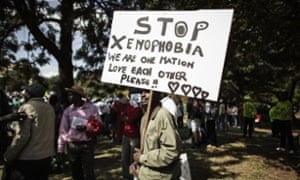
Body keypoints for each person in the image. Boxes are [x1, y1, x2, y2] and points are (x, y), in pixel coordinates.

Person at [2, 83, 56, 180]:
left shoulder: (27, 107)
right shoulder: (49, 108)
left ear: (29, 94)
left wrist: (8, 156)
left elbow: (22, 136)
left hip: (28, 158)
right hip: (46, 156)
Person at [130, 91, 182, 180]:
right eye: (141, 91)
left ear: (158, 94)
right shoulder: (145, 118)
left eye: (147, 91)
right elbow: (149, 148)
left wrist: (142, 158)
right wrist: (137, 162)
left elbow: (171, 152)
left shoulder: (163, 116)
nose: (143, 95)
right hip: (147, 174)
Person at [57, 86, 102, 180]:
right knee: (76, 173)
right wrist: (60, 149)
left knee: (89, 173)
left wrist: (87, 128)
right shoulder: (67, 111)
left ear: (78, 96)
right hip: (72, 145)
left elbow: (99, 125)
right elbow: (62, 130)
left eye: (71, 94)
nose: (69, 97)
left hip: (87, 144)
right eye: (68, 95)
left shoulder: (91, 108)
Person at [121, 91, 143, 180]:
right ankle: (126, 176)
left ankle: (133, 176)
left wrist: (127, 117)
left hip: (134, 135)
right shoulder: (128, 105)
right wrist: (126, 117)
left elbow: (132, 119)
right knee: (124, 157)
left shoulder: (138, 107)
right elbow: (123, 116)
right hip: (126, 134)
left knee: (132, 158)